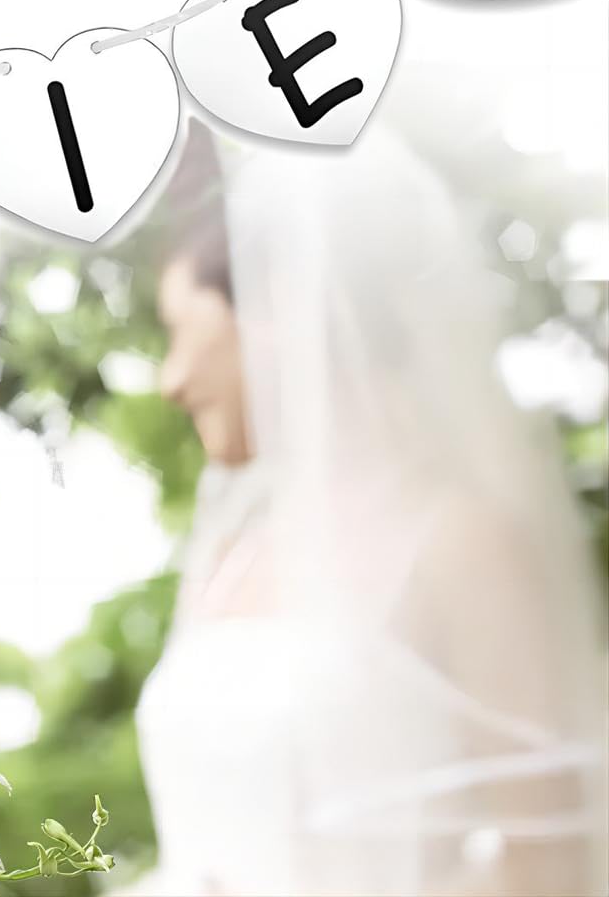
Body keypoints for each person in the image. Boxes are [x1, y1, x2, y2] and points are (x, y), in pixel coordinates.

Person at [130, 122, 609, 897]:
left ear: (279, 306)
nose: (172, 380)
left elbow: (551, 866)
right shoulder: (231, 554)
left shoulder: (461, 544)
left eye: (183, 332)